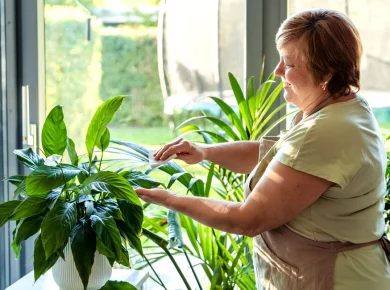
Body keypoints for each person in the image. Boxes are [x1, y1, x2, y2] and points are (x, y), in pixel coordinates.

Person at [135, 9, 390, 290]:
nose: (278, 71)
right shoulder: (342, 108)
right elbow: (279, 157)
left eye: (289, 64)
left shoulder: (327, 131)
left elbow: (248, 219)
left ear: (326, 74)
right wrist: (204, 151)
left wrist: (170, 199)